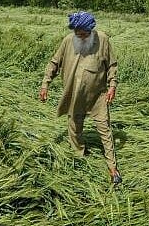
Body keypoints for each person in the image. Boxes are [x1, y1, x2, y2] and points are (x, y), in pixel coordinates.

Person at [39, 11, 122, 184]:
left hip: (97, 96)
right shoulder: (69, 41)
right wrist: (45, 84)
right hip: (74, 95)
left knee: (105, 130)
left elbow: (112, 65)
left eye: (84, 34)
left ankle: (112, 167)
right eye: (78, 34)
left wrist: (112, 86)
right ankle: (80, 158)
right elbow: (54, 63)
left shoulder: (103, 40)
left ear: (91, 30)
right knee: (75, 129)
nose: (81, 38)